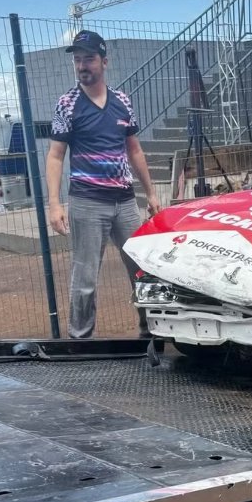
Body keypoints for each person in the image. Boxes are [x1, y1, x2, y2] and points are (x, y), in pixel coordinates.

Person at [46, 30, 162, 339]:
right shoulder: (67, 104)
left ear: (104, 62)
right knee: (84, 278)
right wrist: (55, 203)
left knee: (142, 271)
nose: (82, 65)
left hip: (125, 203)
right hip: (87, 203)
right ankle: (80, 339)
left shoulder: (123, 101)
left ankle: (150, 334)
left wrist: (150, 193)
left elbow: (134, 149)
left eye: (89, 59)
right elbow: (56, 156)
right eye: (78, 59)